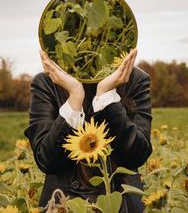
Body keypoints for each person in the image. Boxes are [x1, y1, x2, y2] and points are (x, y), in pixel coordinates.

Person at [24, 48, 152, 213]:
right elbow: (46, 160)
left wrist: (106, 97)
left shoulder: (134, 79)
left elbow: (137, 154)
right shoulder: (47, 83)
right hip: (65, 203)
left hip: (123, 202)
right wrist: (75, 98)